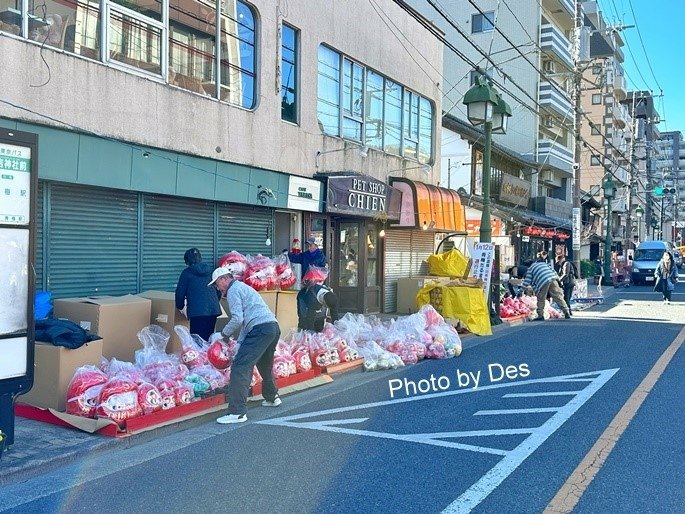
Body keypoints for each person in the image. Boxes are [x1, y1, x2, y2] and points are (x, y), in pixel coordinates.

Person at [209, 267, 281, 424]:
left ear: (223, 279)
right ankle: (272, 397)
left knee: (240, 367)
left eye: (216, 284)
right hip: (272, 327)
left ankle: (237, 412)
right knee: (264, 363)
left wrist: (222, 335)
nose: (217, 288)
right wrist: (240, 343)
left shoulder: (233, 290)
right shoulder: (243, 287)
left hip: (260, 329)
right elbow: (246, 322)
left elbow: (237, 319)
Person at [175, 248, 222, 341]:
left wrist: (179, 306)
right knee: (209, 339)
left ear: (187, 261)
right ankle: (210, 355)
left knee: (197, 341)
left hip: (197, 312)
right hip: (213, 310)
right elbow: (218, 290)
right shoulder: (211, 271)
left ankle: (201, 355)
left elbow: (180, 293)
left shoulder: (186, 273)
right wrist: (214, 302)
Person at [522, 254, 571, 320]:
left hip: (543, 281)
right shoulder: (544, 264)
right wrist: (558, 281)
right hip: (553, 278)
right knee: (558, 296)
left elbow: (527, 281)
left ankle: (540, 315)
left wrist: (521, 290)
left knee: (541, 298)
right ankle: (566, 312)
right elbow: (554, 271)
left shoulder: (530, 269)